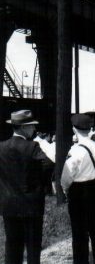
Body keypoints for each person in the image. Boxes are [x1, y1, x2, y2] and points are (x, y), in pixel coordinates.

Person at [0, 110, 54, 264]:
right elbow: (48, 164)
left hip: (9, 204)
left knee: (12, 246)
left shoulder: (1, 147)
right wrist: (37, 182)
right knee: (32, 247)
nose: (34, 129)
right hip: (31, 205)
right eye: (31, 126)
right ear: (24, 127)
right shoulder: (32, 146)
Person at [61, 114, 95, 264]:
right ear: (90, 128)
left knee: (79, 233)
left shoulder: (75, 151)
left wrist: (66, 190)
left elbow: (66, 178)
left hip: (78, 192)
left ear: (74, 129)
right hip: (94, 187)